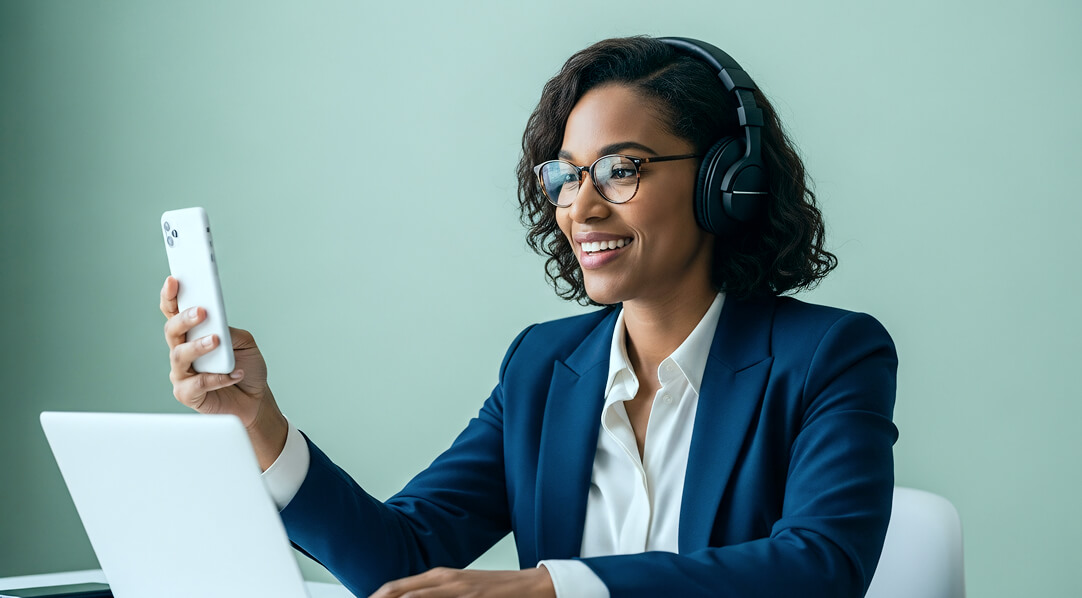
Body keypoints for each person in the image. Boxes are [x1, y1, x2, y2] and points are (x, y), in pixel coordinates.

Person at [160, 36, 897, 598]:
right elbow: (402, 559)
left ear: (724, 184)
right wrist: (259, 421)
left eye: (622, 169)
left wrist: (555, 589)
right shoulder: (543, 367)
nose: (582, 206)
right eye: (567, 176)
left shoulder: (829, 355)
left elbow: (822, 567)